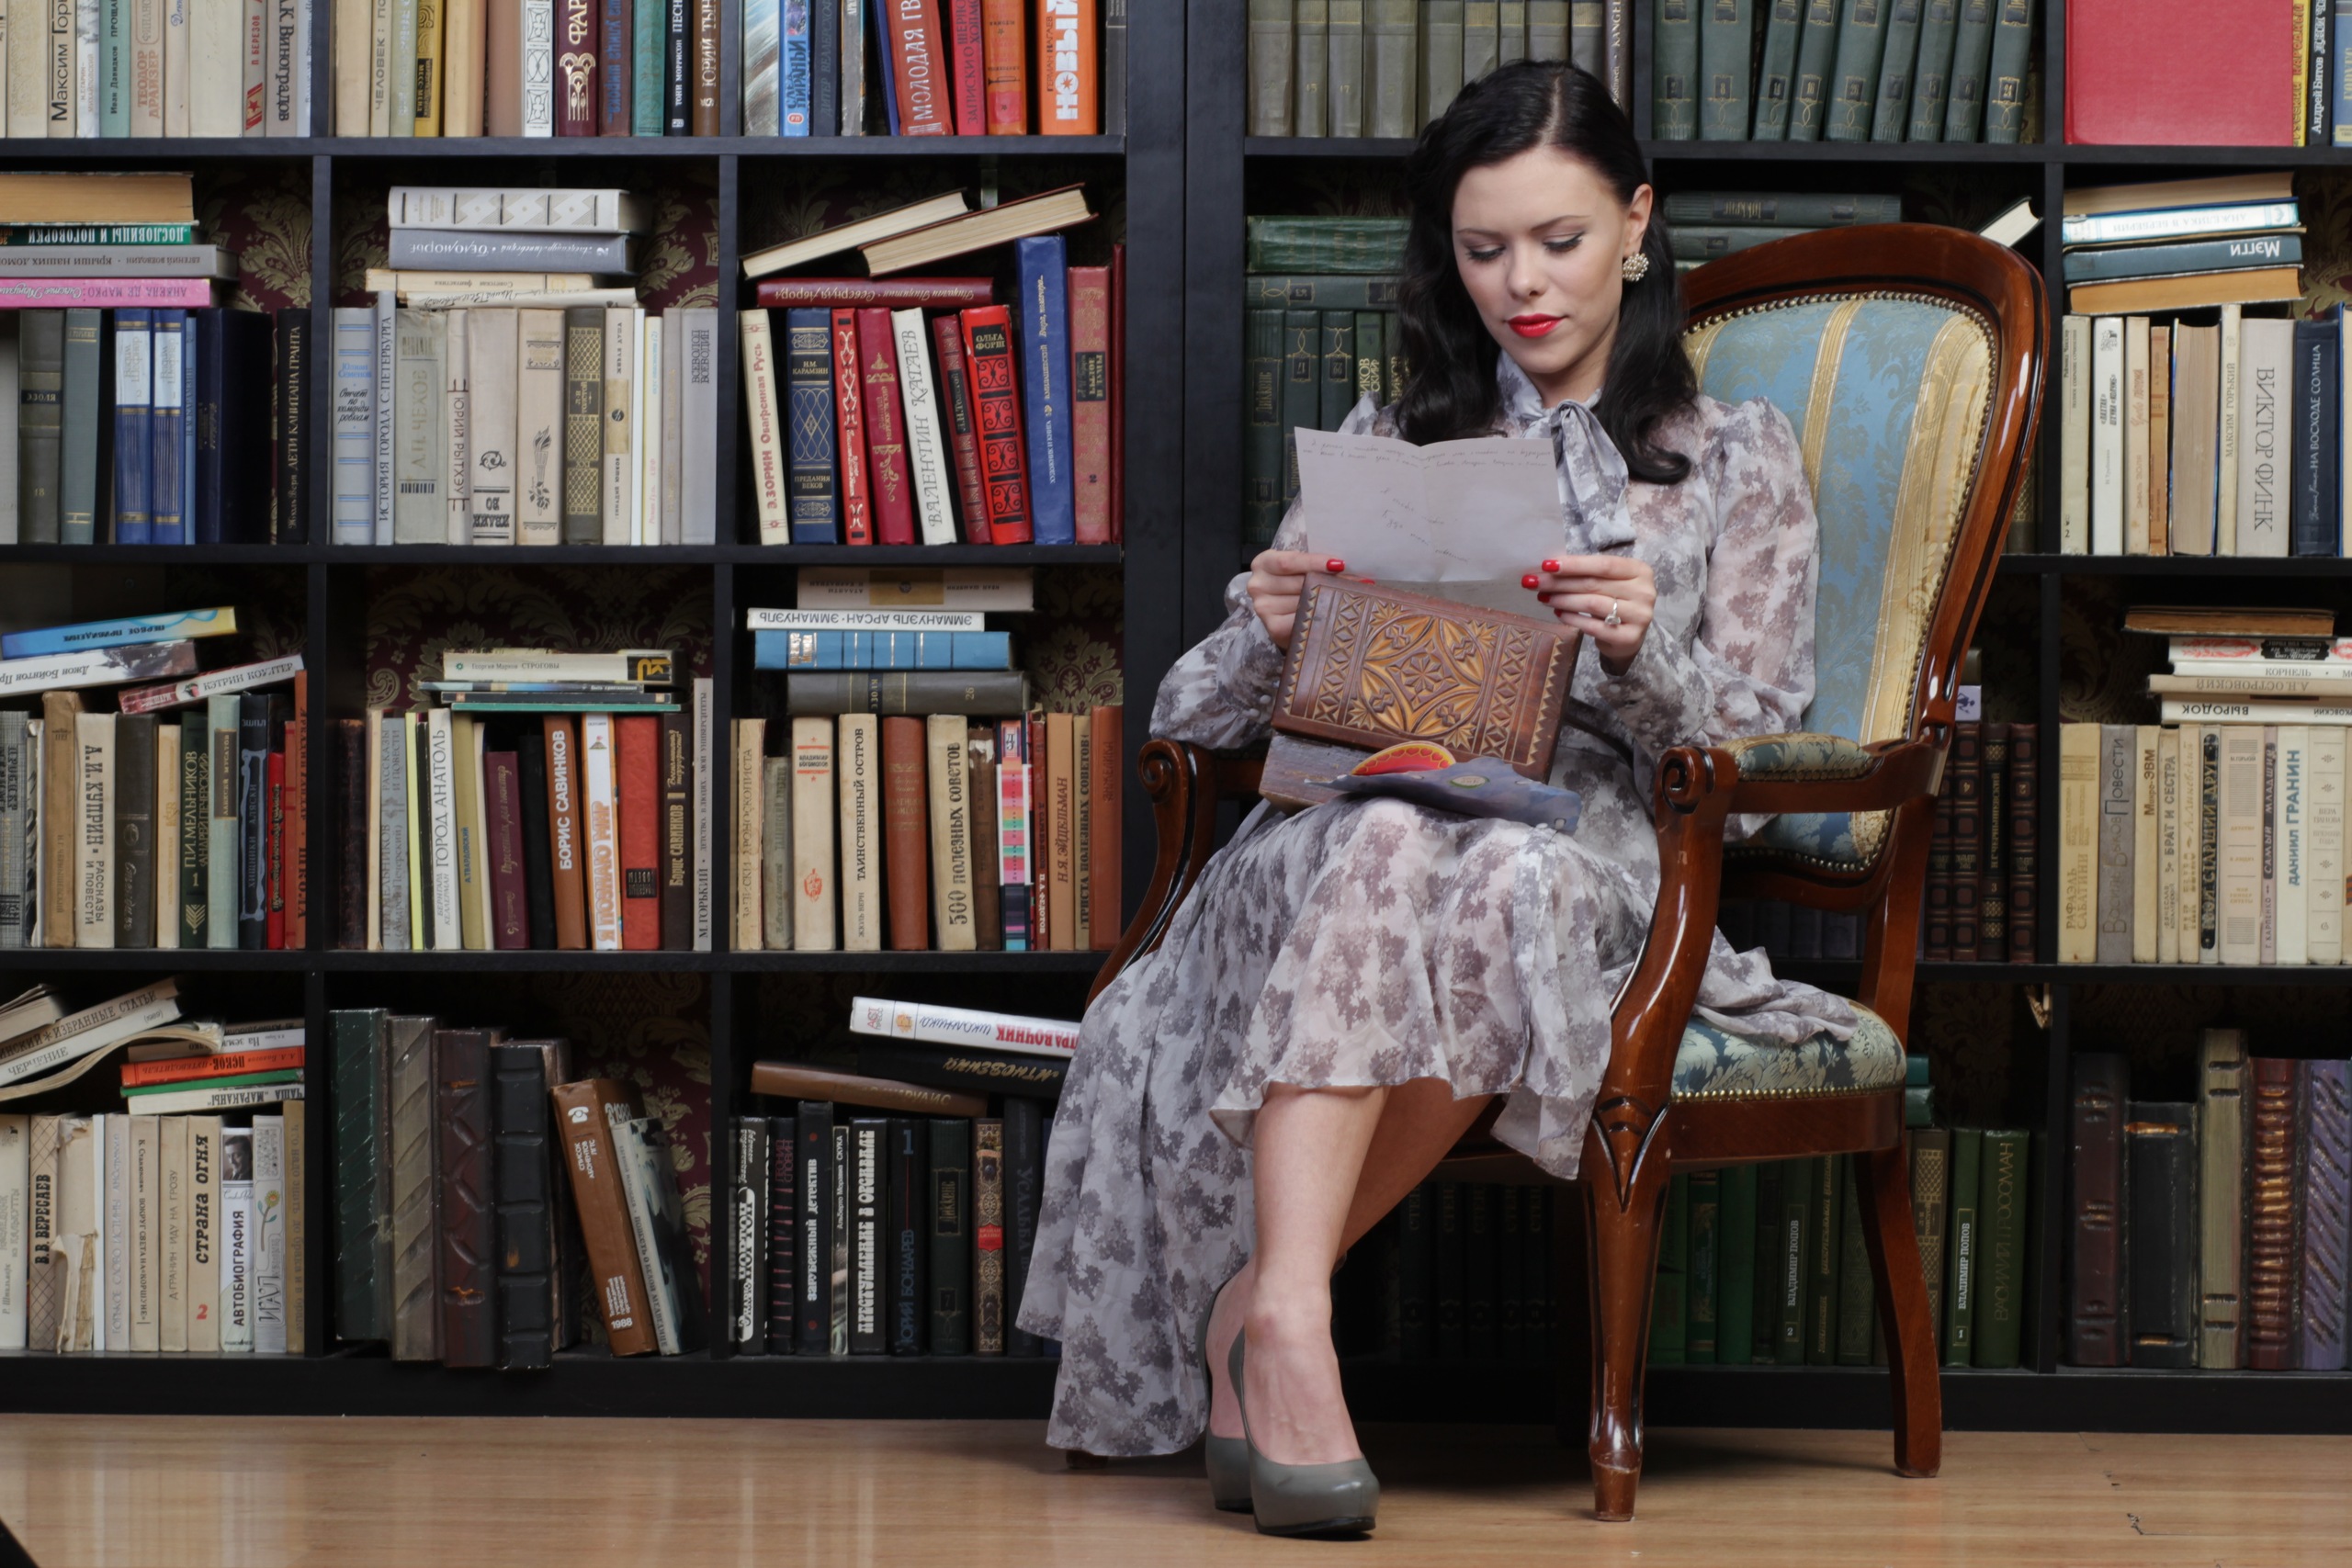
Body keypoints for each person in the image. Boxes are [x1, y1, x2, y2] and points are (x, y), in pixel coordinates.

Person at [1015, 59, 1857, 1537]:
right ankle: (1288, 1319)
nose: (1522, 284)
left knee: (1495, 875)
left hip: (1588, 858)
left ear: (1638, 226)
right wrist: (1268, 628)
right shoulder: (1391, 441)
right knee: (1402, 829)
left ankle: (1266, 1311)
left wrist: (1642, 653)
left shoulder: (1736, 457)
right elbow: (1188, 721)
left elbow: (1762, 773)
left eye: (1560, 240)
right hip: (1347, 830)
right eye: (1483, 249)